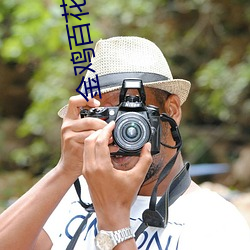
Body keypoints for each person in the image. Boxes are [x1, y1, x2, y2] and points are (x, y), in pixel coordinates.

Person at [0, 36, 249, 250]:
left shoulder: (216, 224)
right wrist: (65, 169)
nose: (119, 132)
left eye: (132, 114)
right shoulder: (78, 196)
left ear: (172, 111)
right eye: (106, 116)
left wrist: (115, 221)